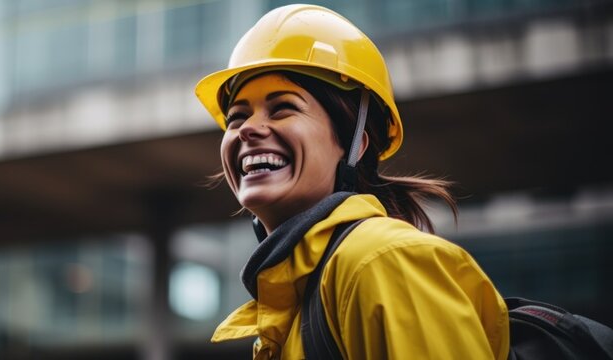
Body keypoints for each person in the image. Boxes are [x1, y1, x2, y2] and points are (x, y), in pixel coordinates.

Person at [194, 4, 509, 359]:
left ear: (354, 143)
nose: (247, 128)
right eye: (237, 117)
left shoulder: (381, 260)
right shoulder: (296, 303)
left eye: (282, 108)